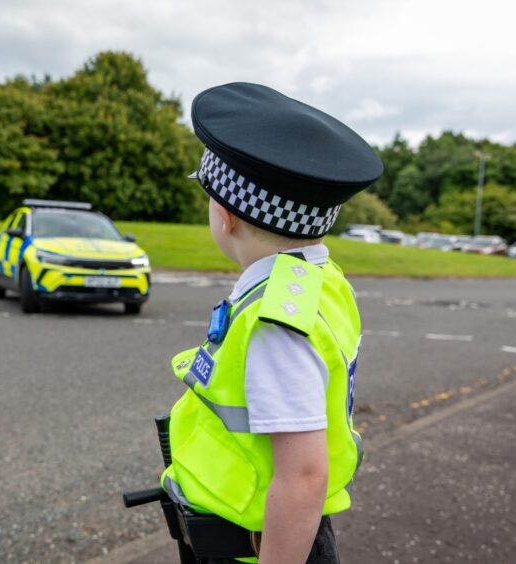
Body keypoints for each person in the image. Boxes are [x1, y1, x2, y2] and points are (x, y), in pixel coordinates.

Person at [160, 83, 383, 563]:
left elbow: (303, 476)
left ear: (226, 215)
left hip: (257, 549)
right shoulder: (317, 281)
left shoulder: (276, 322)